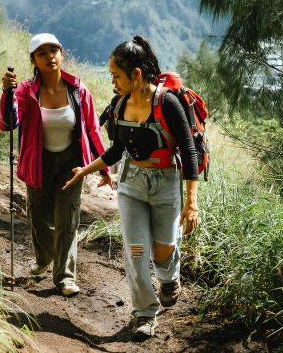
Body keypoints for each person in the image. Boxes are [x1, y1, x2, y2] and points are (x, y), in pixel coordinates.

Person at [64, 35, 199, 340]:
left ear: (136, 74)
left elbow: (189, 151)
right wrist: (86, 170)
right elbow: (116, 150)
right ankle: (145, 313)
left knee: (163, 252)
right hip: (132, 185)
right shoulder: (119, 104)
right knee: (136, 251)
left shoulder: (167, 103)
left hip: (166, 183)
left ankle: (169, 277)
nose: (112, 82)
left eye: (116, 76)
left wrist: (191, 202)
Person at [0, 33, 112, 296]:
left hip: (71, 164)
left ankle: (65, 277)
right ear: (34, 61)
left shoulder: (79, 91)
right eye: (42, 53)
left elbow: (93, 130)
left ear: (62, 54)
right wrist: (7, 93)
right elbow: (8, 123)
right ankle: (45, 256)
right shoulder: (26, 91)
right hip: (38, 161)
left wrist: (104, 167)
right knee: (38, 217)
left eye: (54, 50)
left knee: (67, 220)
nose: (49, 56)